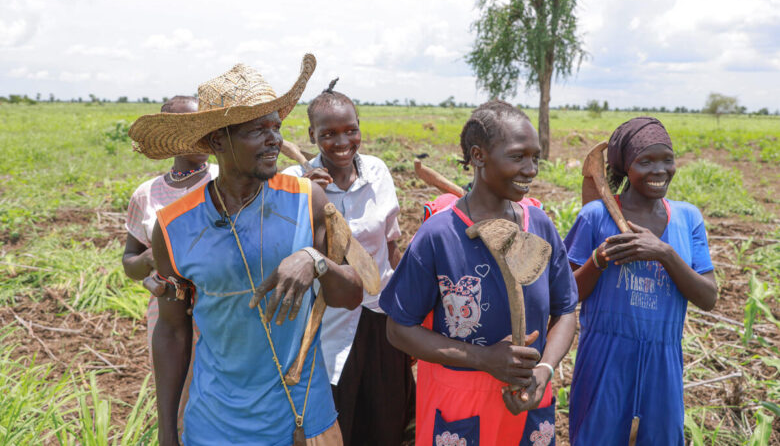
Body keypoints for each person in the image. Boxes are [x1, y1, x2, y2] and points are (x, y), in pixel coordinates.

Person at [128, 55, 363, 446]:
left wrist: (316, 261)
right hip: (216, 425)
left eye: (276, 126)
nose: (275, 139)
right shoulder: (173, 226)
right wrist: (169, 430)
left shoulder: (307, 200)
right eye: (258, 130)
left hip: (304, 422)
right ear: (218, 140)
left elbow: (352, 294)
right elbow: (171, 330)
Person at [379, 100, 578, 446]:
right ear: (478, 155)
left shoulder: (540, 227)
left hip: (528, 398)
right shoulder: (440, 235)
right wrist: (483, 358)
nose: (531, 169)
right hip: (460, 403)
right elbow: (399, 329)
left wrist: (544, 371)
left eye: (535, 157)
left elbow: (565, 311)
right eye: (518, 157)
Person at [564, 117, 717, 445]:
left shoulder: (688, 217)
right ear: (624, 166)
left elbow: (708, 298)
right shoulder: (595, 216)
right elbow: (565, 294)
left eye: (667, 159)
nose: (660, 170)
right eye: (645, 161)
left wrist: (664, 253)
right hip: (605, 357)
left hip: (664, 362)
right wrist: (598, 260)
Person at [282, 78, 414, 446]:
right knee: (337, 419)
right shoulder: (294, 181)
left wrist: (409, 312)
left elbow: (390, 246)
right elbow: (288, 252)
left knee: (385, 415)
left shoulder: (376, 172)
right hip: (328, 319)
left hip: (380, 314)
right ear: (312, 135)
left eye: (350, 130)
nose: (342, 143)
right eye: (329, 134)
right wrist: (307, 194)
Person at [122, 95, 218, 433]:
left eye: (205, 125)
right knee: (176, 397)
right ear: (169, 133)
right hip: (166, 315)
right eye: (190, 127)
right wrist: (153, 259)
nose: (201, 134)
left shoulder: (224, 182)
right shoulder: (147, 194)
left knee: (215, 396)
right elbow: (130, 263)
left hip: (221, 309)